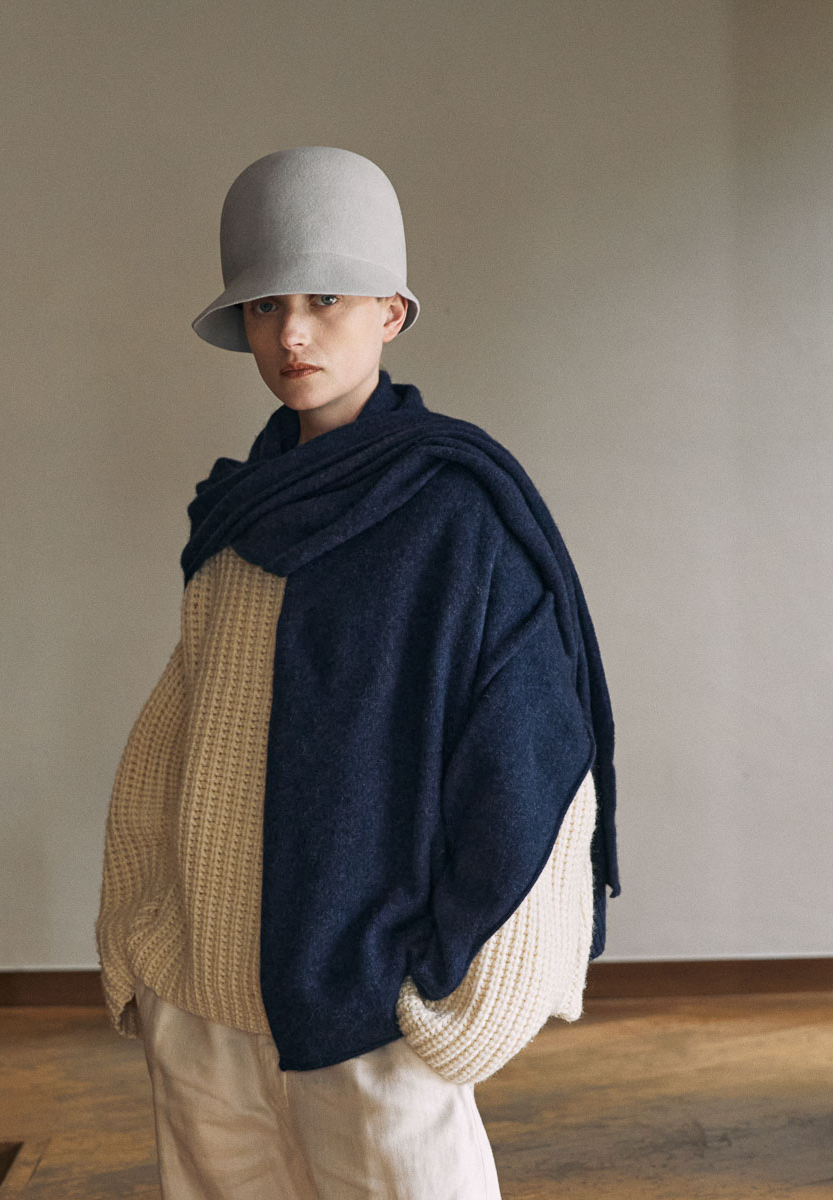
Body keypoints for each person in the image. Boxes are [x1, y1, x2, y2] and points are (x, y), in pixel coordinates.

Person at [95, 145, 619, 1200]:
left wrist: (455, 1003)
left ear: (390, 312)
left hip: (369, 1013)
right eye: (264, 307)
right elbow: (176, 737)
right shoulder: (237, 520)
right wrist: (142, 948)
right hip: (204, 1003)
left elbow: (531, 763)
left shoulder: (458, 516)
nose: (291, 334)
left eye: (324, 300)